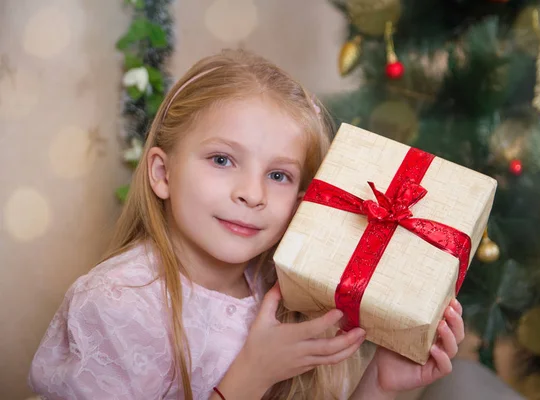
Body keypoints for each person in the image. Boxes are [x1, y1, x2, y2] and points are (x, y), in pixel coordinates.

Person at [29, 49, 465, 400]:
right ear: (162, 173)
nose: (252, 194)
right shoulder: (116, 304)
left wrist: (381, 384)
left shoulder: (290, 296)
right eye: (222, 159)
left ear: (301, 201)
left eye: (279, 175)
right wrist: (251, 376)